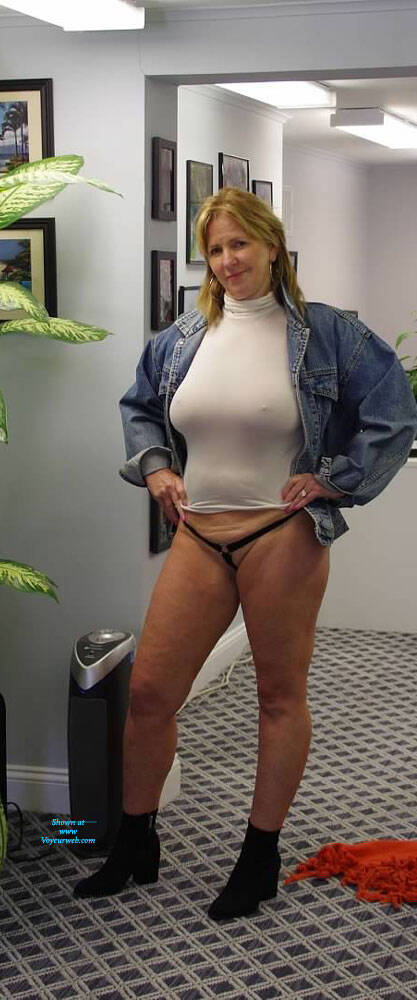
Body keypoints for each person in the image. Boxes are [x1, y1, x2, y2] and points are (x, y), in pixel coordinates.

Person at [73, 186, 417, 920]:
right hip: (198, 533)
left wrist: (335, 480)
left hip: (279, 533)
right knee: (149, 695)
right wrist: (156, 469)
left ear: (271, 246)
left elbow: (392, 414)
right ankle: (135, 841)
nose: (228, 261)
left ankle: (259, 856)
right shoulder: (181, 338)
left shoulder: (327, 334)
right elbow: (140, 408)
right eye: (215, 250)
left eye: (239, 244)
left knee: (277, 697)